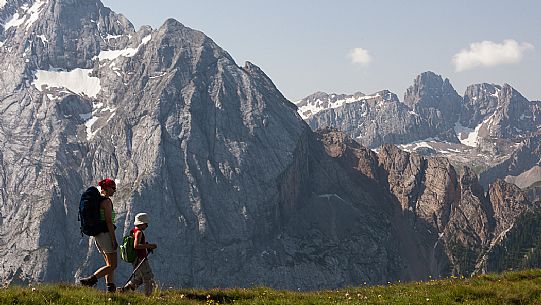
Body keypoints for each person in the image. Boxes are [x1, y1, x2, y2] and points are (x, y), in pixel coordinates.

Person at [79, 178, 118, 292]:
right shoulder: (106, 202)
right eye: (113, 188)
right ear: (106, 188)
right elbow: (109, 222)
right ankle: (90, 280)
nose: (114, 191)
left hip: (98, 236)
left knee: (109, 265)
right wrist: (113, 239)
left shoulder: (98, 201)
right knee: (113, 265)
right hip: (106, 235)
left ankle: (110, 289)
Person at [120, 212, 157, 296]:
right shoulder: (139, 232)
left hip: (136, 259)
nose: (147, 226)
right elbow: (136, 246)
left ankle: (124, 290)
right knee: (148, 277)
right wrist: (150, 245)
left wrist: (145, 245)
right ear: (141, 223)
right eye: (146, 224)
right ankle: (148, 295)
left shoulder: (133, 231)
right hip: (141, 258)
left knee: (139, 278)